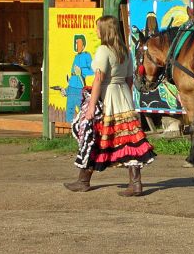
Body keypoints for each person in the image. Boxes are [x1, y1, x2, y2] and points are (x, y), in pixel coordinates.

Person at [64, 15, 156, 196]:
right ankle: (134, 183)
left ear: (105, 30)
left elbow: (98, 79)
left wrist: (91, 106)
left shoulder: (103, 50)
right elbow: (130, 79)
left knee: (96, 133)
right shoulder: (125, 51)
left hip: (108, 95)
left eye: (98, 28)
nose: (96, 31)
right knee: (129, 137)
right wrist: (127, 99)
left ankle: (84, 181)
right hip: (123, 94)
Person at [63, 34, 94, 122]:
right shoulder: (75, 57)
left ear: (83, 45)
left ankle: (82, 128)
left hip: (80, 87)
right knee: (69, 109)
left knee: (81, 109)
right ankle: (69, 130)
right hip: (72, 87)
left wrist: (81, 72)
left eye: (80, 43)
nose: (78, 46)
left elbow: (92, 70)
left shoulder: (87, 56)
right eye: (76, 43)